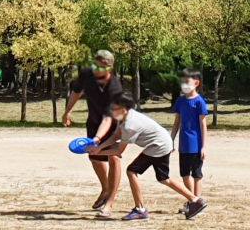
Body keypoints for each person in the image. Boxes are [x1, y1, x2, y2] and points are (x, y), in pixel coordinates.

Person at [88, 92, 208, 220]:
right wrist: (99, 147)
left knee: (132, 171)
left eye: (113, 108)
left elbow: (118, 151)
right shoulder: (125, 116)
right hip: (163, 142)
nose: (110, 110)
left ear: (123, 109)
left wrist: (96, 152)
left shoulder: (129, 125)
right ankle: (195, 200)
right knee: (164, 178)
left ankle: (140, 210)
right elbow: (116, 136)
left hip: (158, 145)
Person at [63, 50, 123, 217]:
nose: (99, 71)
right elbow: (76, 91)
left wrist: (97, 139)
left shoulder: (114, 88)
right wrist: (68, 111)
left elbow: (108, 119)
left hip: (113, 123)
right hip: (94, 120)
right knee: (94, 157)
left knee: (114, 157)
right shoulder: (86, 74)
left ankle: (110, 203)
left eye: (104, 68)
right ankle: (105, 189)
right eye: (97, 66)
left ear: (110, 68)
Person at [171, 69, 209, 213]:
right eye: (183, 81)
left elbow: (203, 125)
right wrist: (171, 140)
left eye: (187, 82)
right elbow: (176, 123)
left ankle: (198, 202)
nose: (184, 84)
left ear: (196, 83)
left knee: (197, 175)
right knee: (185, 174)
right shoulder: (180, 101)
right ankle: (191, 200)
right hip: (184, 145)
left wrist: (203, 147)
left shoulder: (199, 102)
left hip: (196, 145)